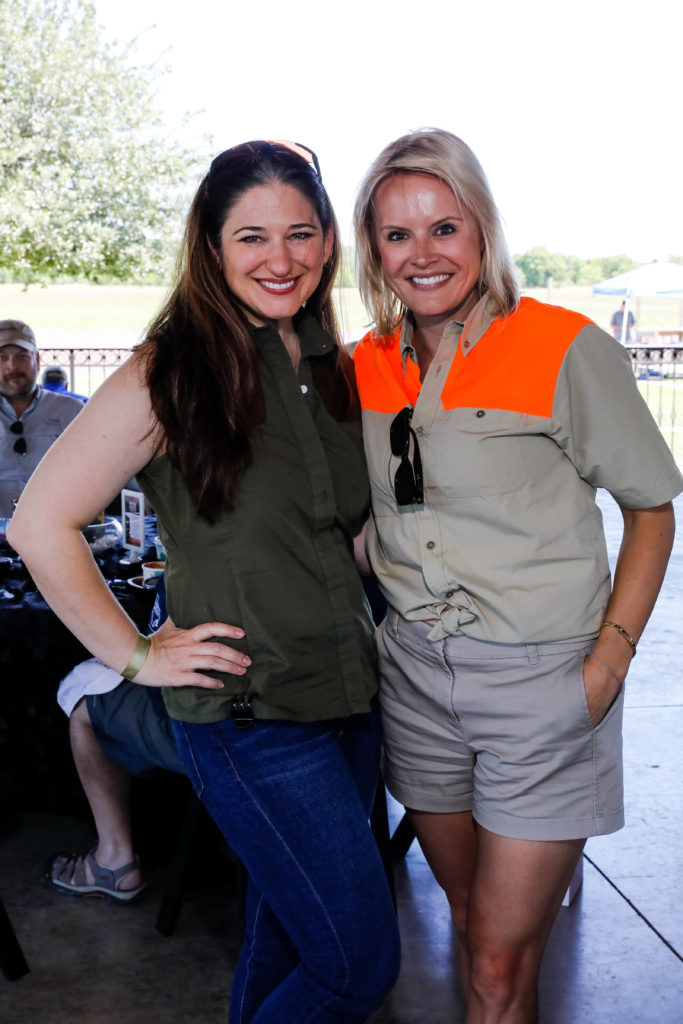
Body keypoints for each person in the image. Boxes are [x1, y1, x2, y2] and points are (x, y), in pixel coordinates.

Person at [9, 140, 400, 1023]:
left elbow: (343, 536)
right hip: (252, 719)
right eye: (252, 236)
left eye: (300, 234)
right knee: (358, 966)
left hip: (347, 702)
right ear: (212, 247)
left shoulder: (329, 366)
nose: (281, 258)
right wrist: (138, 655)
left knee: (286, 940)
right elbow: (41, 524)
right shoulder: (170, 370)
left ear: (329, 241)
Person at [351, 128, 682, 1024]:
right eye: (397, 235)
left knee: (497, 958)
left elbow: (652, 508)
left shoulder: (563, 348)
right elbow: (379, 509)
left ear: (482, 231)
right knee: (472, 928)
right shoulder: (364, 361)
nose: (422, 255)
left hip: (542, 679)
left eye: (444, 228)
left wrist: (608, 664)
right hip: (415, 678)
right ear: (372, 249)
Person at [48, 584, 184, 903]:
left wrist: (144, 662)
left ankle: (114, 861)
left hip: (223, 735)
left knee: (84, 689)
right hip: (301, 722)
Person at [0, 320, 83, 515]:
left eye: (21, 356)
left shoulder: (70, 411)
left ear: (37, 360)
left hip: (57, 527)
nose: (12, 366)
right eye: (2, 357)